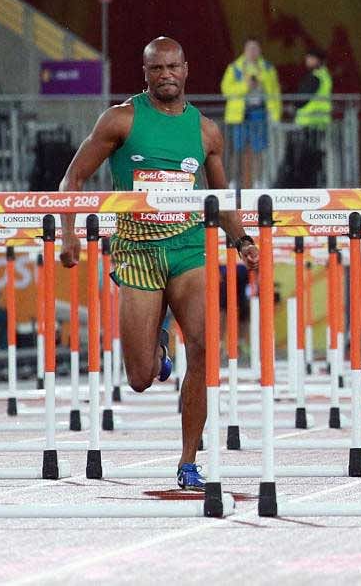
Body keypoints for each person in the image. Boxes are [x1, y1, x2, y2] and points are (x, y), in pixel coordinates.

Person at [58, 37, 260, 491]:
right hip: (138, 250)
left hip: (189, 250)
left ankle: (189, 460)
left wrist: (242, 238)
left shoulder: (207, 131)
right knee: (140, 378)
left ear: (186, 70)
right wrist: (69, 233)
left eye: (172, 67)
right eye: (156, 69)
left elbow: (221, 197)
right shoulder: (121, 119)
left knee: (206, 349)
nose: (165, 74)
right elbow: (73, 176)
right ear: (145, 73)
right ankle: (159, 344)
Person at [220, 38, 280, 188]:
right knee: (237, 151)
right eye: (250, 49)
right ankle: (233, 182)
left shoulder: (267, 68)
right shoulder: (235, 68)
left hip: (259, 114)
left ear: (260, 51)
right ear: (244, 50)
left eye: (256, 48)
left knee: (259, 151)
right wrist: (245, 85)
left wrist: (276, 114)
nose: (253, 52)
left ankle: (259, 183)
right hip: (239, 116)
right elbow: (226, 90)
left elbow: (275, 91)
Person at [277, 48, 332, 188]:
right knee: (312, 158)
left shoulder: (316, 77)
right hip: (317, 124)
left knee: (305, 159)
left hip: (310, 124)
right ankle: (312, 185)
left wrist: (293, 106)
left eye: (310, 58)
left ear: (317, 60)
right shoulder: (324, 76)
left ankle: (307, 187)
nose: (307, 61)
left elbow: (303, 98)